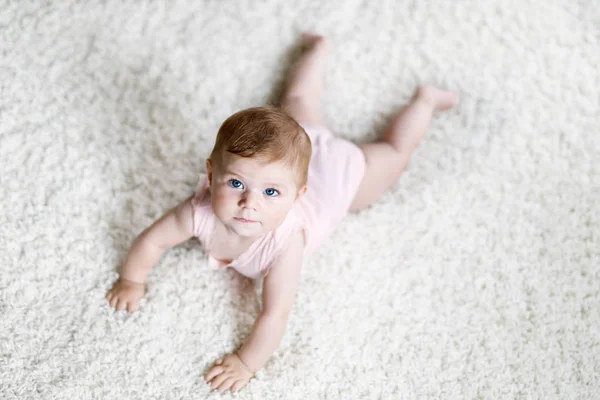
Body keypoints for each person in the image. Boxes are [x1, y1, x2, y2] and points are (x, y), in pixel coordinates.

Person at [105, 32, 458, 393]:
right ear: (211, 175)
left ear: (297, 196)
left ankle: (426, 102)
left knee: (395, 151)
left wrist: (245, 361)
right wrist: (133, 279)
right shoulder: (200, 208)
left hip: (338, 175)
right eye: (236, 184)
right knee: (297, 98)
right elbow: (152, 241)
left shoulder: (284, 244)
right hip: (292, 148)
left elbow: (275, 314)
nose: (249, 203)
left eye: (271, 193)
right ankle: (318, 49)